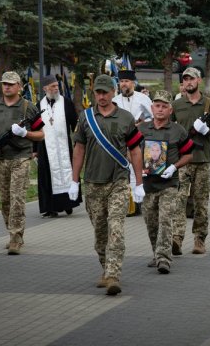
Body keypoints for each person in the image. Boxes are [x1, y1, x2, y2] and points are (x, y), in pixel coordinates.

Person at [71, 74, 144, 296]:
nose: (101, 97)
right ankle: (106, 267)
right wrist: (74, 181)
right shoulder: (85, 118)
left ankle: (113, 275)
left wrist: (139, 183)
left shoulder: (126, 118)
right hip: (93, 183)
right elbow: (79, 149)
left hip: (118, 182)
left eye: (105, 92)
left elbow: (135, 150)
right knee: (100, 233)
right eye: (98, 93)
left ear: (113, 93)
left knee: (116, 229)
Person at [0, 71, 44, 254]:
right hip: (1, 158)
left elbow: (41, 135)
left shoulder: (28, 107)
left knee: (17, 198)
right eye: (4, 84)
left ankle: (15, 237)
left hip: (21, 157)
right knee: (5, 200)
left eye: (11, 84)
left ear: (19, 86)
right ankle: (11, 232)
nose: (7, 87)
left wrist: (25, 134)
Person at [138, 90, 193, 274]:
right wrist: (138, 169)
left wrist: (174, 167)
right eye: (157, 106)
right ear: (152, 107)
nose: (160, 110)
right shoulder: (142, 129)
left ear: (170, 110)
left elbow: (189, 154)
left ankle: (164, 258)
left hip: (169, 184)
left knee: (165, 220)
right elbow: (132, 152)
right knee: (151, 222)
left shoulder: (178, 130)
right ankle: (157, 253)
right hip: (148, 184)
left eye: (164, 106)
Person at [171, 67, 210, 254]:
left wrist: (207, 131)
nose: (188, 82)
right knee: (179, 200)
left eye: (191, 79)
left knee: (201, 202)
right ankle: (176, 238)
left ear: (198, 81)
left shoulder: (209, 105)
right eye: (185, 79)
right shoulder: (176, 105)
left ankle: (199, 239)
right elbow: (168, 128)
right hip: (182, 162)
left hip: (202, 160)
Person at [36, 74, 81, 218]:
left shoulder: (66, 102)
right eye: (53, 86)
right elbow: (35, 128)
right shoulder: (39, 106)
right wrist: (34, 150)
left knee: (67, 172)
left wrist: (78, 140)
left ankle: (68, 204)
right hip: (45, 148)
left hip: (65, 146)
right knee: (47, 176)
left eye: (57, 86)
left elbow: (75, 124)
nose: (56, 89)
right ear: (45, 88)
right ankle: (51, 208)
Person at [113, 69, 152, 216]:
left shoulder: (143, 99)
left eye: (126, 81)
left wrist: (141, 124)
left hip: (140, 141)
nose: (124, 84)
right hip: (121, 143)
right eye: (122, 81)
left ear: (133, 83)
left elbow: (152, 119)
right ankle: (127, 203)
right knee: (125, 173)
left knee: (139, 171)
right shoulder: (115, 101)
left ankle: (140, 202)